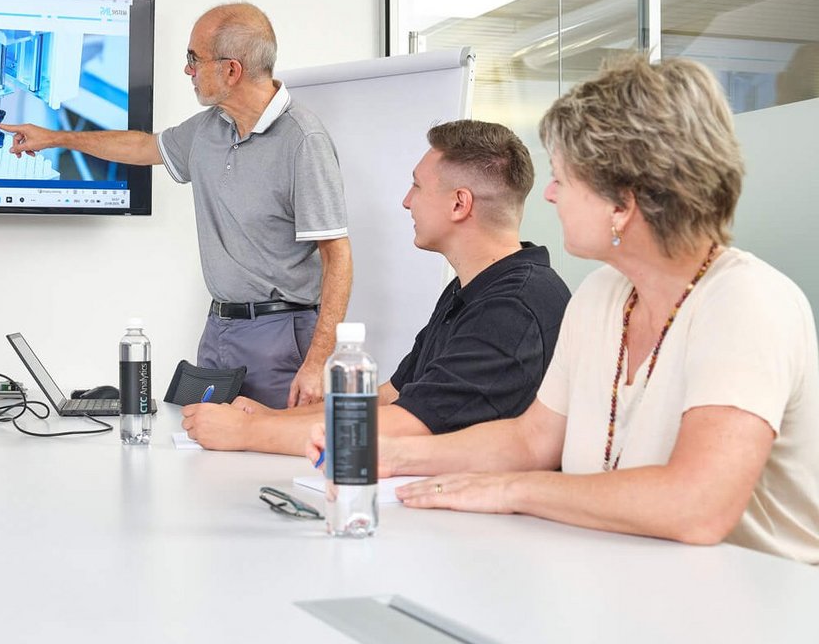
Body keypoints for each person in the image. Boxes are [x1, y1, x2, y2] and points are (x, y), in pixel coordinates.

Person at [312, 56, 819, 563]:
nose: (550, 195)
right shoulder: (602, 296)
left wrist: (512, 492)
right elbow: (532, 441)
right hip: (631, 583)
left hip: (757, 609)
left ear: (623, 203)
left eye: (563, 178)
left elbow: (696, 505)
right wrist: (390, 454)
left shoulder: (746, 303)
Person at [0, 2, 352, 408]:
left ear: (231, 70)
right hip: (220, 329)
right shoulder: (209, 128)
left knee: (270, 457)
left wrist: (317, 362)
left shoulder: (303, 141)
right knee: (205, 451)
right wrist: (57, 137)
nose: (188, 70)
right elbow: (145, 145)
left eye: (193, 59)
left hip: (281, 336)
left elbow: (337, 256)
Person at [181, 120, 570, 456]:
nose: (406, 201)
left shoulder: (513, 308)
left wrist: (249, 433)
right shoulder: (471, 291)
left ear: (459, 205)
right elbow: (390, 397)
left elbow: (406, 424)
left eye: (417, 186)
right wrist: (274, 417)